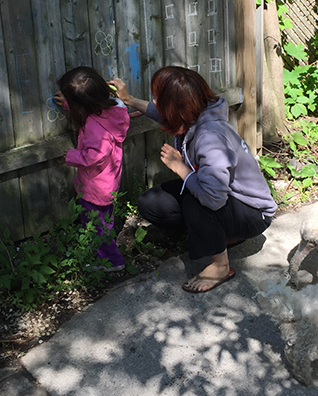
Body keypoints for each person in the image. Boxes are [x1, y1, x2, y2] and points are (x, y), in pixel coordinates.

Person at [110, 67, 276, 293]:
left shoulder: (210, 137)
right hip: (224, 195)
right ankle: (219, 235)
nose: (155, 101)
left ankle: (220, 266)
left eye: (158, 98)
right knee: (152, 202)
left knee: (195, 204)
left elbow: (213, 199)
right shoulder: (195, 113)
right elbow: (160, 113)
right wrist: (129, 100)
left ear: (176, 107)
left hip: (254, 213)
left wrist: (180, 167)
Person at [54, 66, 130, 272]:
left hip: (96, 187)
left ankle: (112, 261)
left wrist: (71, 155)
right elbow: (91, 111)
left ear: (82, 104)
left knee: (97, 225)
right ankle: (101, 254)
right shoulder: (113, 109)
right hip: (106, 182)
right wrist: (69, 104)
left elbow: (95, 156)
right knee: (103, 222)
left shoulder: (96, 128)